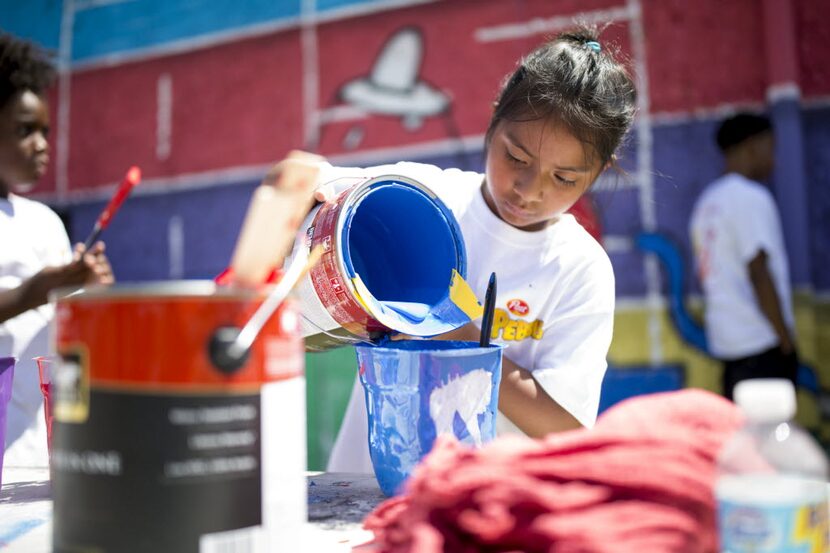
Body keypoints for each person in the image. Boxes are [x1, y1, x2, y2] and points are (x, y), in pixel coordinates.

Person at [268, 26, 636, 472]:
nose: (528, 189)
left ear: (598, 173)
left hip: (488, 502)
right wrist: (303, 189)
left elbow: (569, 428)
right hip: (364, 488)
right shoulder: (421, 195)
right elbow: (299, 177)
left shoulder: (578, 268)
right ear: (493, 121)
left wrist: (461, 341)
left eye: (564, 178)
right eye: (516, 158)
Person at [0, 33, 113, 467]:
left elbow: (69, 335)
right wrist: (40, 288)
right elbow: (35, 296)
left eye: (45, 131)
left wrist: (91, 290)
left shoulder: (43, 221)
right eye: (25, 130)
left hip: (36, 452)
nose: (42, 143)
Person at [689, 113, 797, 400]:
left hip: (728, 347)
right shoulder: (751, 197)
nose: (773, 160)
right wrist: (785, 342)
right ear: (751, 145)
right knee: (768, 440)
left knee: (742, 439)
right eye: (770, 148)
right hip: (761, 345)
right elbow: (758, 272)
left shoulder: (706, 203)